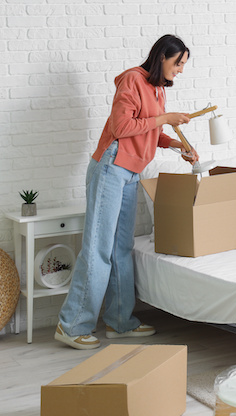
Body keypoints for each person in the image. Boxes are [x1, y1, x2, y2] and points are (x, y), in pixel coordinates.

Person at [55, 35, 199, 349]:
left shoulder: (158, 89)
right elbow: (122, 128)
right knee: (98, 247)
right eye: (179, 63)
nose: (181, 70)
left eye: (184, 64)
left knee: (121, 248)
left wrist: (179, 145)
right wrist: (164, 118)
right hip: (111, 167)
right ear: (163, 57)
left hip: (131, 171)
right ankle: (72, 325)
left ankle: (120, 322)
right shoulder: (133, 80)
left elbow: (150, 131)